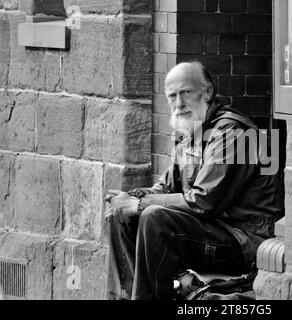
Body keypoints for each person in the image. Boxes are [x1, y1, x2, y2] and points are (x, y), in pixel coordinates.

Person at [104, 61, 282, 300]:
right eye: (172, 96)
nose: (179, 104)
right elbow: (165, 188)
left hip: (243, 241)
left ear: (207, 92)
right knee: (122, 214)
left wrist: (140, 204)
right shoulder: (193, 134)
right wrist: (131, 198)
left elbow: (204, 202)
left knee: (154, 218)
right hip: (211, 232)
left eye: (186, 93)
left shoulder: (232, 132)